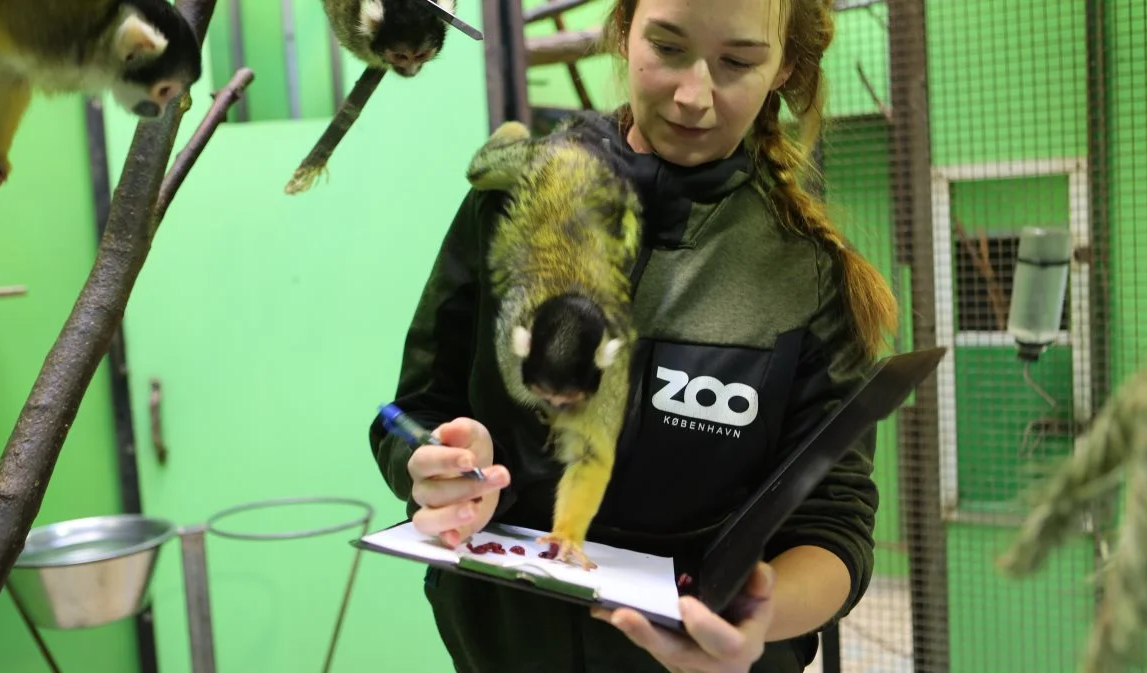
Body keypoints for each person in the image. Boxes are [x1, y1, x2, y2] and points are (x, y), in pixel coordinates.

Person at [368, 0, 900, 670]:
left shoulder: (805, 275)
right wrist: (435, 462)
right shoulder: (512, 199)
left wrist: (759, 617)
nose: (692, 96)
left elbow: (835, 522)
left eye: (737, 61)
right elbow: (406, 414)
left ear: (783, 67)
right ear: (623, 30)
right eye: (669, 47)